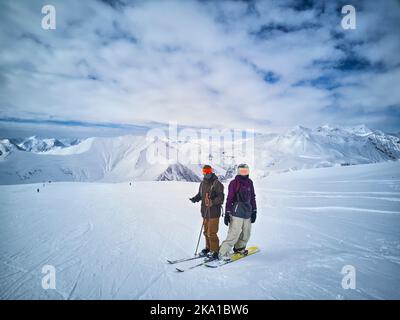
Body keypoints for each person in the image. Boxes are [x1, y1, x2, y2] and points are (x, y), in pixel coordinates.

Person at [219, 164, 257, 259]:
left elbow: (252, 197)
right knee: (234, 234)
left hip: (247, 212)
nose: (244, 173)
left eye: (245, 171)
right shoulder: (234, 183)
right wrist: (227, 212)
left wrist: (254, 210)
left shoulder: (250, 182)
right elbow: (229, 198)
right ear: (238, 172)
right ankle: (223, 252)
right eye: (241, 171)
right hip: (237, 212)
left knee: (246, 233)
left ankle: (239, 248)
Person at [190, 165, 224, 259]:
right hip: (205, 211)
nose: (206, 173)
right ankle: (208, 248)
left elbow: (221, 198)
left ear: (211, 171)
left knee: (212, 233)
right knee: (206, 232)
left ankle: (215, 251)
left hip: (213, 212)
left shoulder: (216, 183)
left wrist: (212, 202)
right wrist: (195, 199)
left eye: (208, 171)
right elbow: (200, 194)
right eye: (205, 171)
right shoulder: (202, 183)